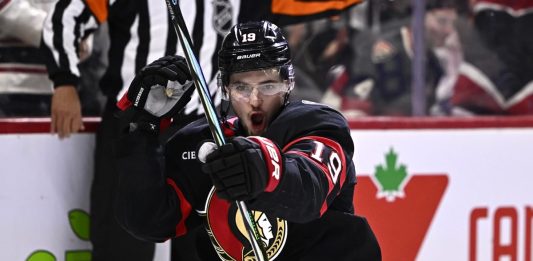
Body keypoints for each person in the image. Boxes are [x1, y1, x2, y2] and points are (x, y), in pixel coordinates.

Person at [40, 1, 363, 260]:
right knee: (123, 240)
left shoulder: (309, 122)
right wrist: (64, 82)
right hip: (139, 120)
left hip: (206, 127)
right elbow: (66, 14)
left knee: (211, 241)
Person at [114, 20, 381, 261]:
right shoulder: (204, 142)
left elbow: (310, 190)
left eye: (267, 86)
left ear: (288, 83)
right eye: (242, 87)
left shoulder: (317, 125)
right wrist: (143, 130)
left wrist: (263, 166)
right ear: (226, 89)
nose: (255, 100)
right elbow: (149, 221)